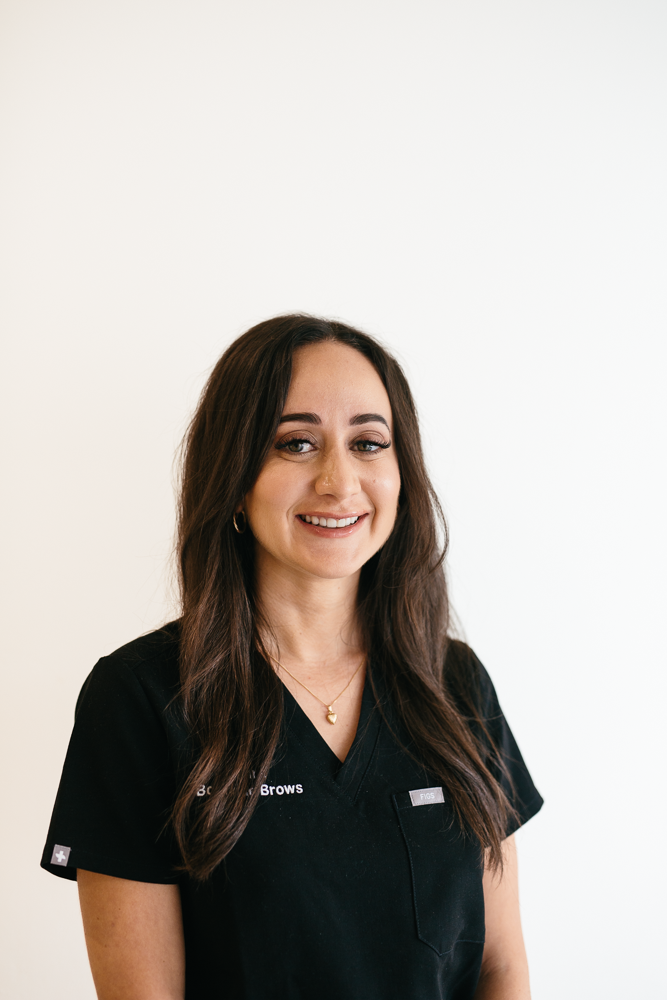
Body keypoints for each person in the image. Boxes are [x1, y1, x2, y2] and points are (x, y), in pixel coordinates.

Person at [42, 314, 543, 1000]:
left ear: (402, 473)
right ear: (234, 474)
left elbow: (500, 969)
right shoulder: (141, 697)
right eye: (296, 444)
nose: (339, 481)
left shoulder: (452, 682)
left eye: (368, 443)